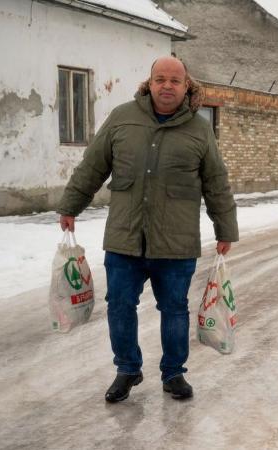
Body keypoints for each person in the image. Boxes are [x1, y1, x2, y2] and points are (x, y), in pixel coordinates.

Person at [56, 56, 238, 403]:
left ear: (186, 86)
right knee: (119, 305)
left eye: (174, 80)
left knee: (174, 309)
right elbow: (92, 166)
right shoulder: (122, 118)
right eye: (160, 79)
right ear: (149, 83)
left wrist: (225, 228)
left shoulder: (199, 129)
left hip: (176, 242)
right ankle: (127, 368)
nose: (167, 85)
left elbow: (217, 183)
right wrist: (70, 206)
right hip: (125, 237)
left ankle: (173, 374)